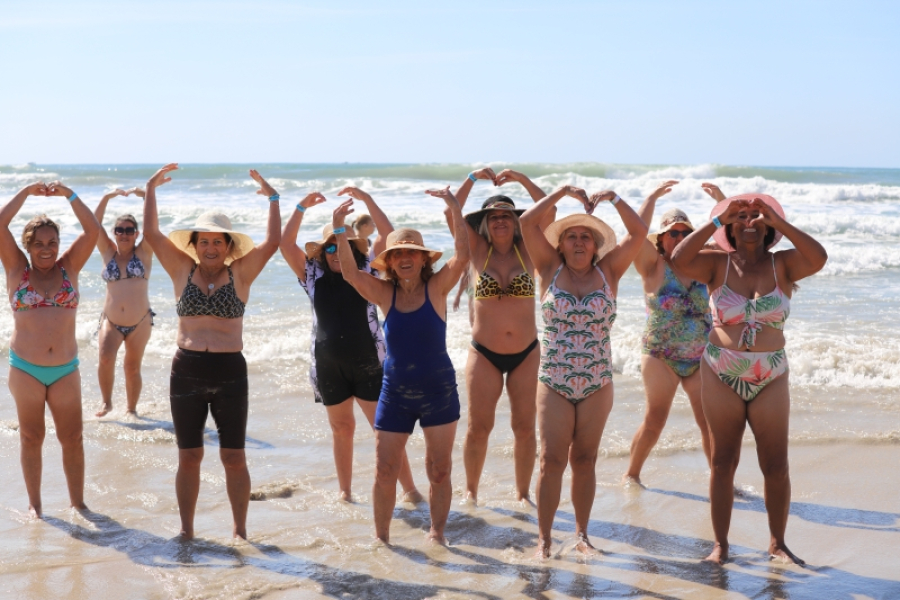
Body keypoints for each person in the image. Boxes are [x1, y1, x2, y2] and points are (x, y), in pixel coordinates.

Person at [671, 193, 827, 564]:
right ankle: (721, 545)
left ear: (769, 224)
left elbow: (819, 257)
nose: (749, 222)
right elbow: (678, 260)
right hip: (721, 369)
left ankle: (778, 544)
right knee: (723, 462)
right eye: (740, 217)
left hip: (770, 372)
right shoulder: (715, 264)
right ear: (729, 226)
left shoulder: (784, 265)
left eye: (757, 216)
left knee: (776, 464)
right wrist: (714, 221)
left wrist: (780, 221)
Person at [142, 163, 281, 540]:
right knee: (189, 457)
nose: (210, 247)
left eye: (218, 241)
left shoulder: (242, 273)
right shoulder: (180, 269)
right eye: (204, 241)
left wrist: (273, 198)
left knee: (233, 457)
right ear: (195, 244)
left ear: (229, 246)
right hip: (185, 370)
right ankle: (186, 531)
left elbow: (273, 242)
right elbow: (151, 233)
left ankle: (240, 531)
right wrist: (150, 189)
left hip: (230, 372)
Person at [331, 187, 468, 544]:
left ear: (424, 259)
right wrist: (339, 229)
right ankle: (382, 538)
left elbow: (464, 255)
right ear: (389, 261)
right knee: (384, 469)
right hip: (395, 394)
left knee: (438, 471)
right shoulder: (384, 293)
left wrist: (454, 207)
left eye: (412, 252)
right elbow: (349, 273)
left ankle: (437, 535)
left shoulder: (437, 288)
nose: (405, 258)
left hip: (439, 391)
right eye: (398, 253)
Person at [520, 185, 647, 558]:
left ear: (595, 246)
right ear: (560, 244)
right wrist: (561, 192)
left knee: (585, 460)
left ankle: (581, 535)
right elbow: (528, 223)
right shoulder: (548, 268)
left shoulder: (610, 271)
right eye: (571, 236)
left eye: (586, 237)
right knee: (551, 460)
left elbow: (638, 233)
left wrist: (614, 199)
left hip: (597, 383)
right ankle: (544, 540)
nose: (578, 242)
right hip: (554, 381)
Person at [279, 186, 422, 503]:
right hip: (328, 366)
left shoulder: (369, 270)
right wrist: (301, 206)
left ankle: (410, 490)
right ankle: (345, 493)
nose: (333, 253)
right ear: (322, 252)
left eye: (338, 245)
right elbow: (285, 243)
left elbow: (390, 236)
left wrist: (368, 201)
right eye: (329, 247)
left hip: (369, 362)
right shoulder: (311, 275)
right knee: (341, 429)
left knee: (384, 431)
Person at [0, 180, 100, 517]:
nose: (47, 249)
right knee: (31, 437)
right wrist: (26, 192)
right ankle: (35, 504)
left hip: (65, 369)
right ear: (28, 246)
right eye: (39, 243)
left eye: (53, 242)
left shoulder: (69, 267)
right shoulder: (16, 269)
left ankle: (78, 502)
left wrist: (69, 194)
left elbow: (93, 230)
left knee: (72, 438)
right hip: (25, 368)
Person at [454, 167, 552, 504]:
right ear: (485, 222)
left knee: (525, 429)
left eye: (507, 216)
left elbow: (549, 209)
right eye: (493, 216)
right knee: (478, 428)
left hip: (526, 352)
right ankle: (471, 491)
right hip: (484, 353)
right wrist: (471, 178)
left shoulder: (530, 251)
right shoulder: (479, 252)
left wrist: (523, 179)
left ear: (516, 221)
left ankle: (523, 495)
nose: (500, 221)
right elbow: (454, 212)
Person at [623, 180, 724, 484]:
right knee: (655, 420)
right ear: (662, 239)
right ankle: (632, 475)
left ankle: (720, 481)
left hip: (699, 357)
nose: (680, 237)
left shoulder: (706, 264)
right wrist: (652, 196)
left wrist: (721, 202)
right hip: (660, 355)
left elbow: (731, 241)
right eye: (674, 233)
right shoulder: (652, 265)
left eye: (686, 233)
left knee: (708, 424)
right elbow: (635, 232)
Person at [93, 187, 155, 417]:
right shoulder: (107, 252)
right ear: (114, 232)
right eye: (120, 230)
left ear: (136, 233)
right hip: (111, 321)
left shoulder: (144, 253)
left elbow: (152, 227)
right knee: (106, 359)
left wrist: (147, 197)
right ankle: (106, 403)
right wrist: (106, 197)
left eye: (129, 230)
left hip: (140, 321)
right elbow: (92, 225)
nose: (124, 234)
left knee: (131, 367)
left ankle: (131, 409)